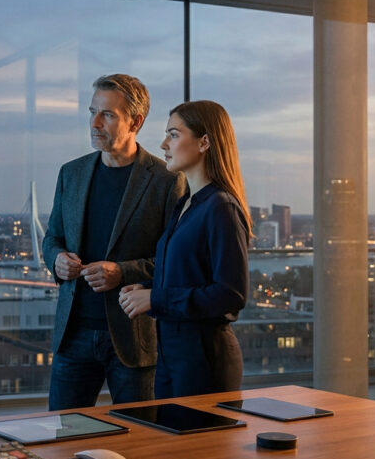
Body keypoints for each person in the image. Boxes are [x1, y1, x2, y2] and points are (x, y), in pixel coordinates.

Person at [43, 73, 186, 409]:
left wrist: (122, 272)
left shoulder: (167, 180)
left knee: (141, 442)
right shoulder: (71, 173)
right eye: (93, 111)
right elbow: (52, 238)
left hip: (133, 338)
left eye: (107, 114)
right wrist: (57, 259)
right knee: (64, 439)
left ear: (135, 121)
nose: (94, 123)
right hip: (72, 335)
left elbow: (174, 262)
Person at [118, 100, 251, 399]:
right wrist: (147, 288)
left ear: (204, 142)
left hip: (204, 361)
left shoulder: (221, 207)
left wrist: (156, 298)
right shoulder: (186, 204)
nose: (164, 143)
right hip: (172, 357)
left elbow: (231, 294)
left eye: (174, 134)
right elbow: (190, 276)